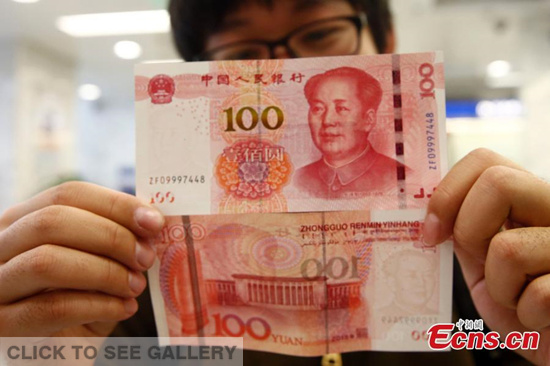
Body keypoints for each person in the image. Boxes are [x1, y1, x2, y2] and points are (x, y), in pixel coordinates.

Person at [1, 0, 549, 365]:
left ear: (385, 37)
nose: (283, 72)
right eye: (241, 55)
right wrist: (32, 350)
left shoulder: (472, 247)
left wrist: (534, 339)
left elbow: (503, 344)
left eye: (320, 32)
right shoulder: (147, 276)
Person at [294, 66, 399, 198]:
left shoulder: (398, 178)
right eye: (318, 108)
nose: (327, 121)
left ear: (368, 120)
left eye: (342, 108)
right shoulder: (298, 179)